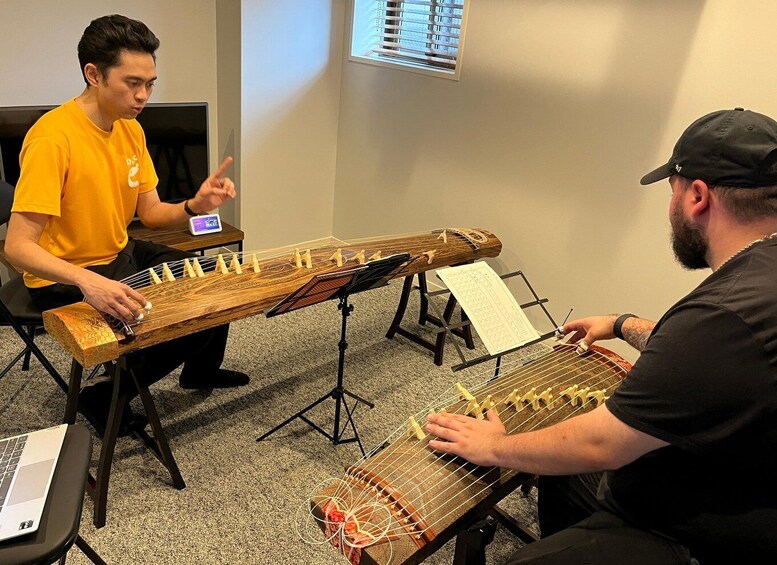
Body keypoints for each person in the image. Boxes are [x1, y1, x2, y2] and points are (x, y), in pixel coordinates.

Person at [425, 108, 777, 564]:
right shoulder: (756, 283)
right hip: (738, 476)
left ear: (697, 196)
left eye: (670, 193)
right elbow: (713, 362)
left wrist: (493, 447)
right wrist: (619, 322)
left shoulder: (721, 314)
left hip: (701, 534)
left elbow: (602, 442)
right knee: (560, 468)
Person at [5, 14, 249, 436]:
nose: (143, 96)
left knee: (217, 278)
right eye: (132, 83)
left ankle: (199, 372)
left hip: (119, 252)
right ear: (94, 74)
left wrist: (195, 204)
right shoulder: (53, 139)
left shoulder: (130, 129)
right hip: (64, 274)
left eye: (150, 84)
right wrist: (88, 282)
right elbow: (17, 247)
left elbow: (152, 214)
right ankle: (103, 395)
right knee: (175, 318)